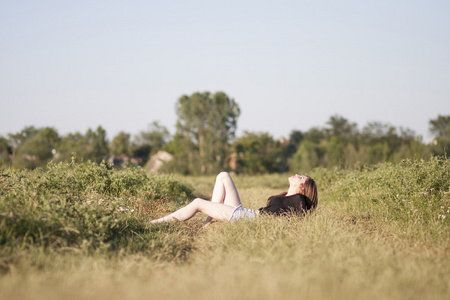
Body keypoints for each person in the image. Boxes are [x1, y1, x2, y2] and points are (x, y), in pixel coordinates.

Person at [149, 172, 318, 225]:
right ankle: (209, 223)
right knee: (223, 176)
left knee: (198, 203)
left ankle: (153, 223)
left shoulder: (299, 200)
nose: (296, 175)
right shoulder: (288, 197)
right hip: (247, 213)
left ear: (302, 187)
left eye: (301, 177)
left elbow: (299, 219)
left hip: (248, 218)